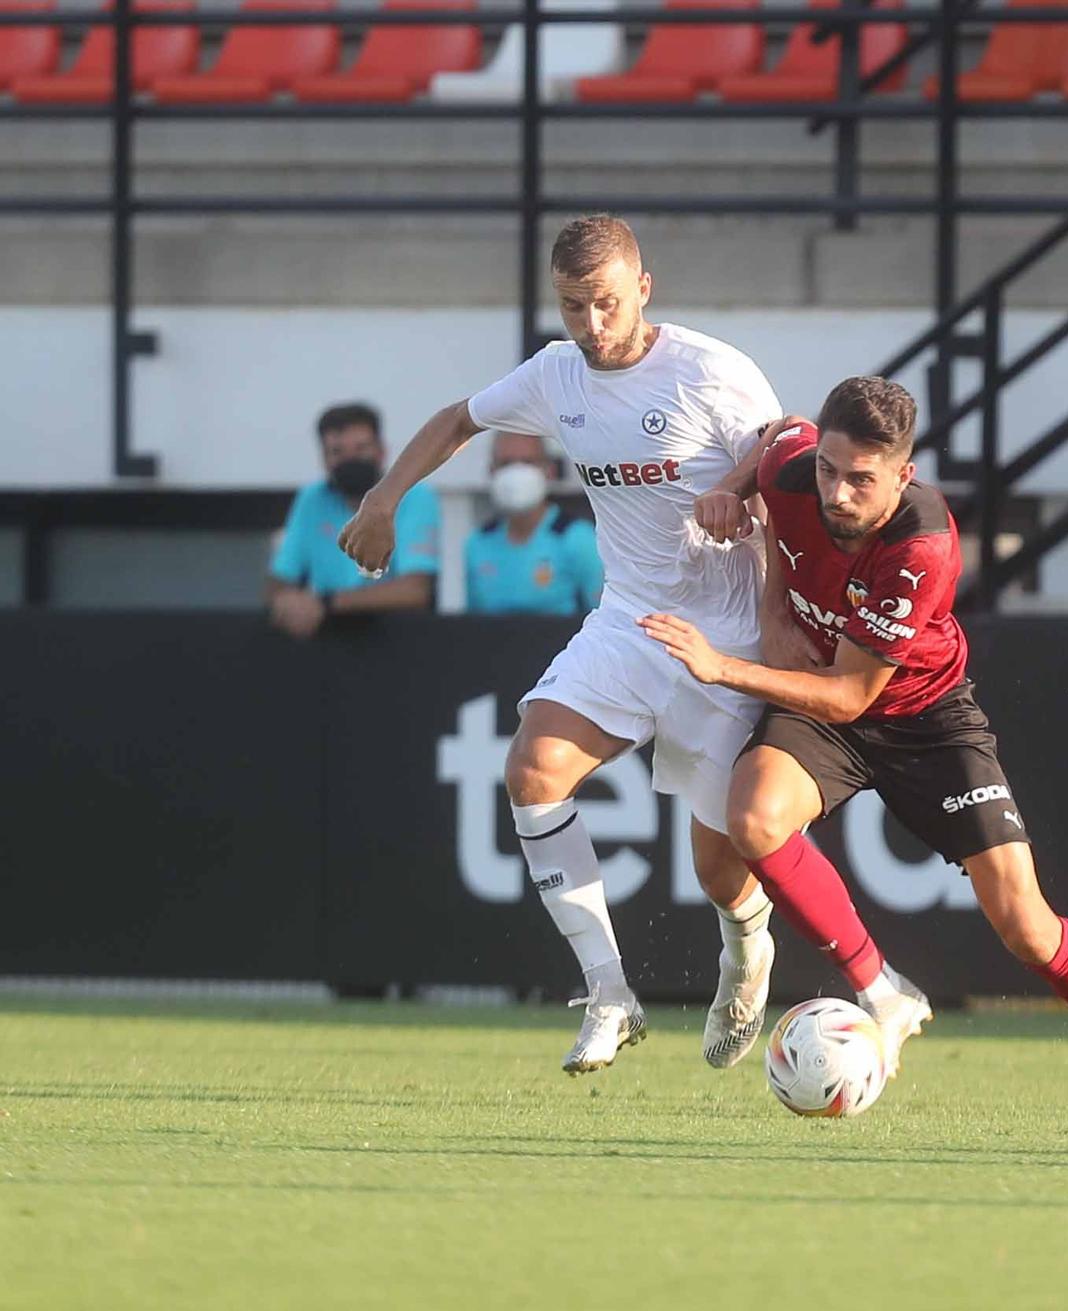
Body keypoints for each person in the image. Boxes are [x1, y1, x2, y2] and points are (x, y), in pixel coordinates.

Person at [639, 377, 1068, 1120]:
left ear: (903, 474)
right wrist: (729, 488)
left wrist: (722, 665)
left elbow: (855, 696)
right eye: (828, 469)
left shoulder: (923, 544)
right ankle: (882, 991)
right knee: (751, 818)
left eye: (861, 479)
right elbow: (778, 435)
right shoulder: (795, 464)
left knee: (1024, 922)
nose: (837, 493)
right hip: (822, 700)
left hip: (922, 718)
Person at [338, 214, 785, 1076]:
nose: (592, 325)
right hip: (628, 619)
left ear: (644, 288)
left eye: (607, 303)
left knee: (721, 869)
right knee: (532, 770)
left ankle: (746, 950)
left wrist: (734, 489)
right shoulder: (556, 374)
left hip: (724, 635)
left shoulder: (709, 370)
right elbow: (455, 419)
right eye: (574, 306)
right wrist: (385, 498)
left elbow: (782, 452)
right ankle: (610, 992)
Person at [268, 402, 440, 639]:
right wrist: (289, 602)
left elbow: (415, 591)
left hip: (397, 641)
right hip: (326, 643)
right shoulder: (312, 499)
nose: (350, 459)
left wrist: (326, 603)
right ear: (324, 459)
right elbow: (281, 578)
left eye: (361, 448)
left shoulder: (413, 496)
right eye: (337, 451)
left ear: (382, 451)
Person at [465, 432, 604, 616]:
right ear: (492, 470)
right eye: (506, 463)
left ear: (549, 470)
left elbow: (602, 617)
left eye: (528, 462)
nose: (516, 473)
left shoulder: (579, 539)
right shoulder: (477, 544)